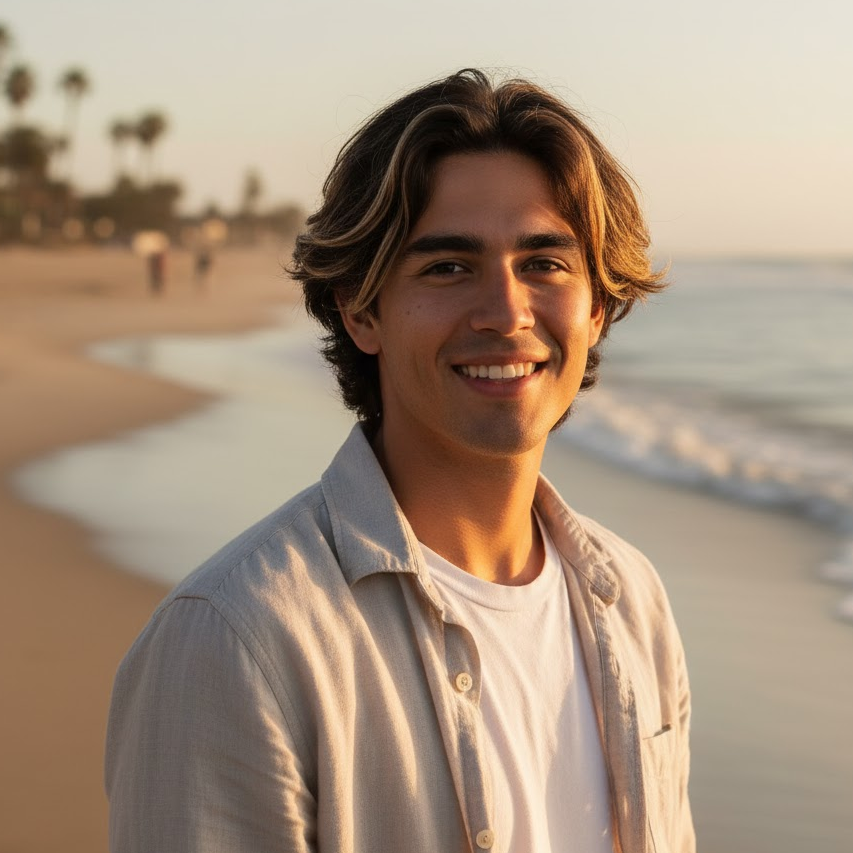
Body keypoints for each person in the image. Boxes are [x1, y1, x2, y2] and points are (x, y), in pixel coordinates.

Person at [106, 69, 695, 853]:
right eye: (447, 267)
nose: (504, 312)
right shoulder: (238, 639)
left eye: (544, 263)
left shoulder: (631, 601)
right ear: (360, 308)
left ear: (597, 304)